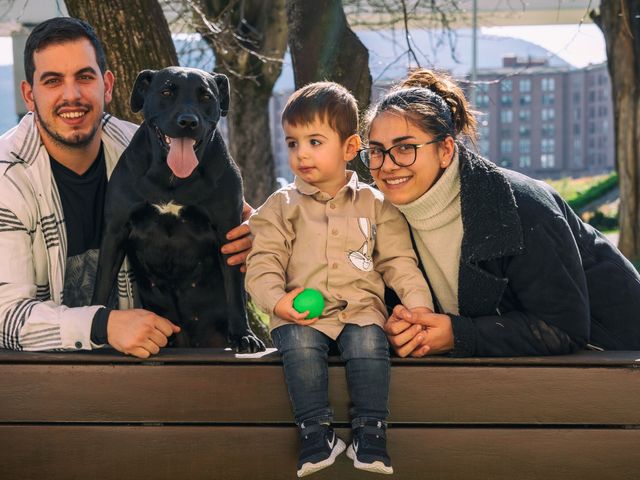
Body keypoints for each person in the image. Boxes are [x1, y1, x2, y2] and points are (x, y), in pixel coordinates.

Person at [0, 17, 252, 359]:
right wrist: (101, 324)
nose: (71, 95)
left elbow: (222, 213)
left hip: (159, 354)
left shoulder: (146, 145)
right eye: (53, 81)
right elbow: (6, 318)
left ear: (107, 85)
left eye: (84, 77)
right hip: (44, 375)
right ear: (30, 95)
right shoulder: (8, 180)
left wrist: (251, 235)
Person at [359, 68, 640, 358]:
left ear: (445, 150)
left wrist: (458, 334)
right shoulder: (384, 217)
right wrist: (399, 327)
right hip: (515, 376)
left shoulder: (517, 204)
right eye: (377, 151)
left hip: (618, 358)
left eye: (405, 148)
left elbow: (561, 328)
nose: (388, 165)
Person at [245, 82, 433, 477]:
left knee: (368, 339)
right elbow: (262, 263)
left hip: (360, 309)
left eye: (315, 141)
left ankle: (371, 433)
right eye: (293, 142)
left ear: (350, 148)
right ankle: (315, 434)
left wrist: (418, 307)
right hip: (302, 313)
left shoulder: (375, 204)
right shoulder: (282, 206)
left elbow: (399, 262)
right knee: (298, 344)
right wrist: (279, 303)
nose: (302, 153)